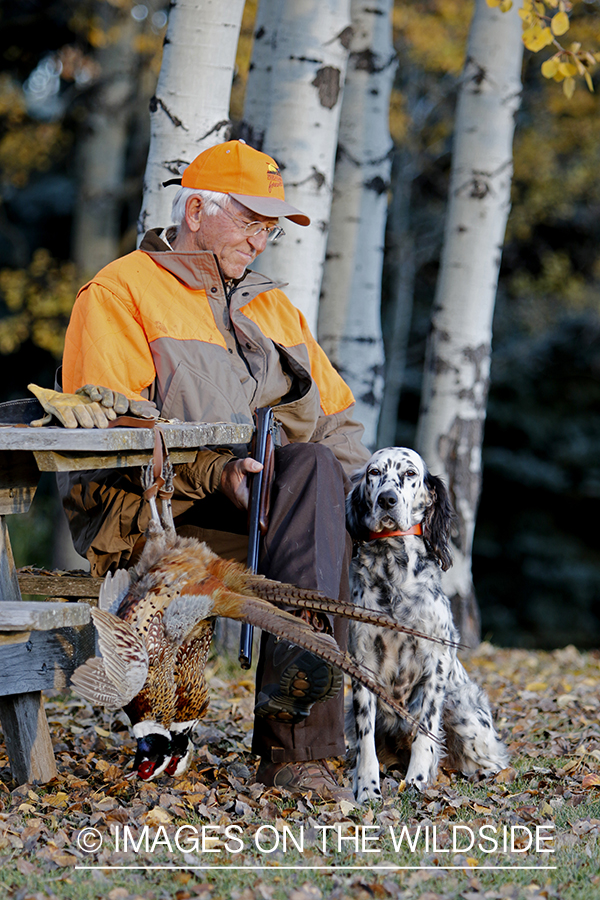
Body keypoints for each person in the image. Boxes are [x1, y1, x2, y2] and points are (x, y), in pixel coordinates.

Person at [58, 140, 370, 800]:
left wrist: (372, 505)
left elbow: (338, 420)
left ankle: (293, 752)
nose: (261, 240)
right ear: (197, 210)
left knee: (318, 468)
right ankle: (246, 745)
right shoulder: (121, 291)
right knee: (304, 495)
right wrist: (216, 473)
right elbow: (107, 433)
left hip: (263, 510)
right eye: (250, 222)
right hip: (152, 509)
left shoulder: (274, 310)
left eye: (268, 227)